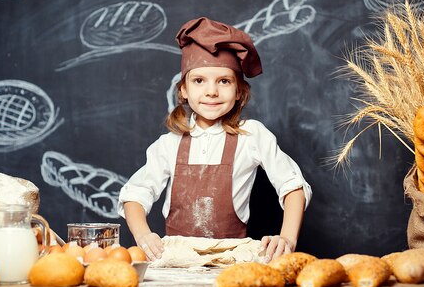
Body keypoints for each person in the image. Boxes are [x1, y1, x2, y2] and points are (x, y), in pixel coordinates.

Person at [117, 16, 312, 263]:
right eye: (199, 80)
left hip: (234, 258)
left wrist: (287, 238)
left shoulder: (252, 135)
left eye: (224, 81)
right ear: (184, 90)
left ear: (239, 90)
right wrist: (144, 235)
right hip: (177, 258)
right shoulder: (169, 144)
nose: (211, 91)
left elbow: (293, 186)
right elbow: (135, 194)